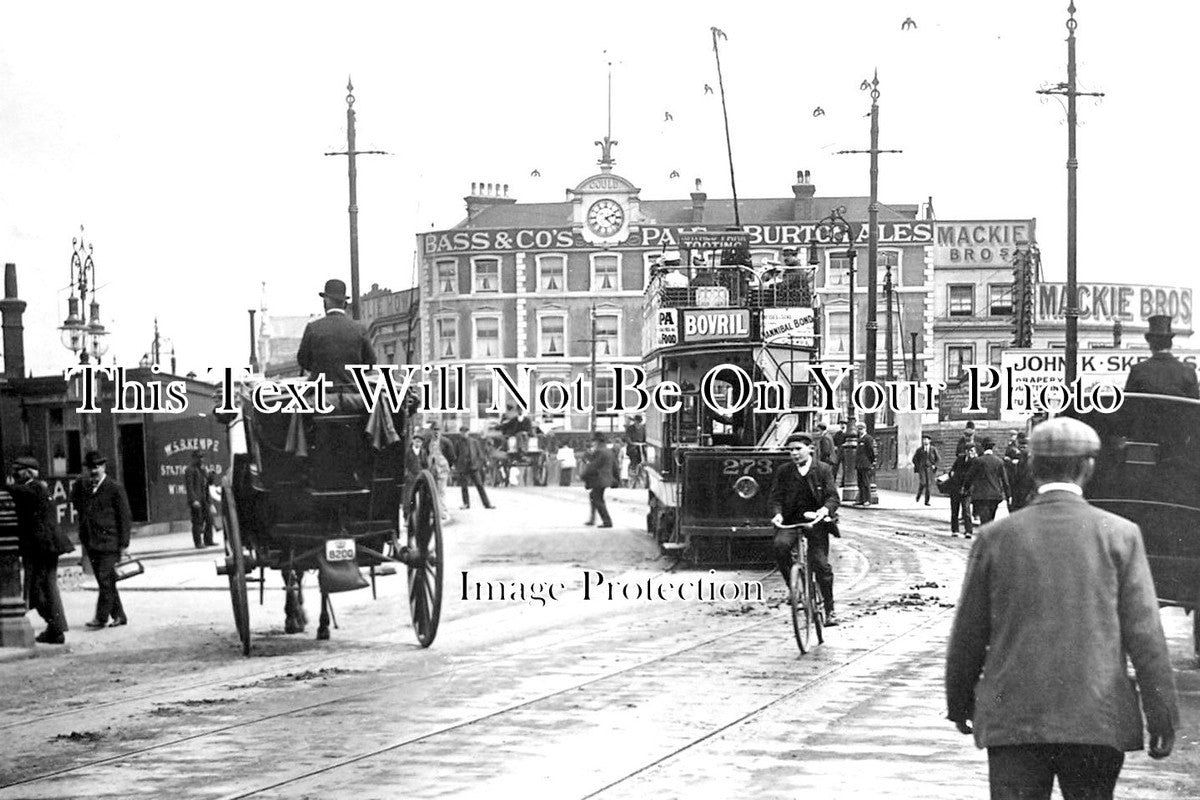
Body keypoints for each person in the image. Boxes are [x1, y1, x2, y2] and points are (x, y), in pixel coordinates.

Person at [946, 417, 1178, 800]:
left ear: (1033, 467)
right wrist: (1162, 714)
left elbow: (968, 634)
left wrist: (960, 703)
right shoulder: (1120, 535)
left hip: (1014, 720)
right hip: (1096, 718)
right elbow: (1146, 637)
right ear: (1088, 467)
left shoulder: (995, 537)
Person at [769, 433, 841, 626]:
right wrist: (777, 514)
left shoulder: (823, 469)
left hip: (816, 523)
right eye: (790, 450)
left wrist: (824, 510)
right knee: (780, 546)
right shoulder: (784, 471)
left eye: (798, 449)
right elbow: (776, 497)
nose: (794, 453)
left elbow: (833, 496)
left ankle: (830, 609)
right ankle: (794, 587)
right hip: (791, 522)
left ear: (810, 449)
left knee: (821, 565)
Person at [11, 456, 73, 644]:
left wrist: (6, 487)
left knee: (40, 589)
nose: (14, 474)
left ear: (29, 472)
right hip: (43, 546)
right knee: (45, 587)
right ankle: (55, 628)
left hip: (43, 547)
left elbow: (19, 492)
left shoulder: (36, 487)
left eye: (18, 470)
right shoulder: (37, 487)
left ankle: (56, 627)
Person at [71, 450, 133, 629]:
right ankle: (120, 616)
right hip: (91, 542)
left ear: (104, 467)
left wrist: (124, 545)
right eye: (90, 467)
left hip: (109, 542)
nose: (94, 470)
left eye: (97, 466)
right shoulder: (85, 487)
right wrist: (78, 485)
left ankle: (101, 617)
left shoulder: (114, 487)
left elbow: (124, 517)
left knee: (106, 580)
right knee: (105, 581)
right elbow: (75, 504)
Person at [296, 278, 376, 384]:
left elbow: (303, 360)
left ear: (325, 302)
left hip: (323, 394)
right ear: (345, 304)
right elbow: (370, 362)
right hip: (353, 394)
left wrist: (320, 369)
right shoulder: (360, 329)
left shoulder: (313, 328)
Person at [1124, 314, 1200, 399]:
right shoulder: (1188, 372)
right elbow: (1195, 409)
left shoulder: (1138, 371)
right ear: (1170, 344)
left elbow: (1128, 406)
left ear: (1150, 345)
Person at [964, 438, 1010, 525]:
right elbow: (1005, 480)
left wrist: (966, 488)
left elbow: (969, 477)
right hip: (995, 495)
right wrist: (1008, 495)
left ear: (983, 448)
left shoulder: (978, 461)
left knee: (984, 520)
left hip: (981, 495)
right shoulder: (999, 461)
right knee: (991, 519)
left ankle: (986, 536)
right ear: (992, 448)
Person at [579, 435, 614, 528]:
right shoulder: (608, 451)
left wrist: (583, 475)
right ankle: (593, 519)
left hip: (599, 479)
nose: (593, 443)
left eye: (594, 441)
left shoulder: (599, 452)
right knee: (595, 497)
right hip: (605, 478)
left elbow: (593, 466)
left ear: (598, 441)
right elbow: (615, 466)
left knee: (597, 499)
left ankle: (607, 521)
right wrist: (616, 479)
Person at [455, 427, 494, 510]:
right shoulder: (458, 443)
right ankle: (466, 504)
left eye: (465, 432)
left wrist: (478, 465)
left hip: (473, 467)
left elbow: (480, 454)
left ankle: (487, 504)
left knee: (480, 485)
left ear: (468, 432)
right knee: (464, 487)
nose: (464, 433)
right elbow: (456, 456)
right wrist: (457, 466)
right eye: (462, 432)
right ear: (460, 433)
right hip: (463, 468)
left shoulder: (474, 442)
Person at [184, 450, 214, 549]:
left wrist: (211, 476)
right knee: (197, 521)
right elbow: (189, 486)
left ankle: (208, 540)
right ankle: (198, 543)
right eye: (199, 457)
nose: (201, 459)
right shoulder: (190, 469)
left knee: (209, 519)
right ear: (194, 458)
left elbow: (207, 484)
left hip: (204, 498)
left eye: (202, 457)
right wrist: (193, 500)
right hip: (196, 499)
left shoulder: (202, 469)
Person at [424, 425, 455, 523]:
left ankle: (442, 512)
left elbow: (452, 456)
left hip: (442, 468)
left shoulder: (446, 442)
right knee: (432, 491)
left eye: (438, 430)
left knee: (441, 491)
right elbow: (424, 453)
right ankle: (433, 512)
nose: (436, 432)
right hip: (431, 469)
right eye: (434, 430)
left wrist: (447, 466)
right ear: (431, 431)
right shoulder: (428, 442)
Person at [947, 444, 977, 537]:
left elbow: (974, 475)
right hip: (956, 487)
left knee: (966, 510)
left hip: (967, 489)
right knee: (954, 510)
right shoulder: (960, 458)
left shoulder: (975, 461)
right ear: (967, 451)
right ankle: (955, 530)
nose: (972, 453)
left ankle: (968, 531)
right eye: (971, 451)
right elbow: (953, 469)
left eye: (973, 451)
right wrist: (952, 473)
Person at [912, 435, 939, 506]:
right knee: (923, 483)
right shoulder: (920, 450)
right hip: (922, 469)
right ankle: (918, 495)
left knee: (928, 485)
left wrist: (934, 465)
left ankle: (927, 501)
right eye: (923, 440)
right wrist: (918, 466)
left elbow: (938, 459)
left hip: (930, 469)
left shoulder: (933, 449)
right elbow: (914, 459)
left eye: (926, 440)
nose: (924, 441)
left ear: (929, 441)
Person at [853, 422, 876, 506]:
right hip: (859, 464)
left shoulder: (868, 438)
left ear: (864, 429)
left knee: (866, 483)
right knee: (860, 483)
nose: (860, 431)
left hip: (865, 463)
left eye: (861, 429)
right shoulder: (859, 439)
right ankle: (861, 499)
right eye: (858, 429)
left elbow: (870, 451)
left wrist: (871, 461)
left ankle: (867, 500)